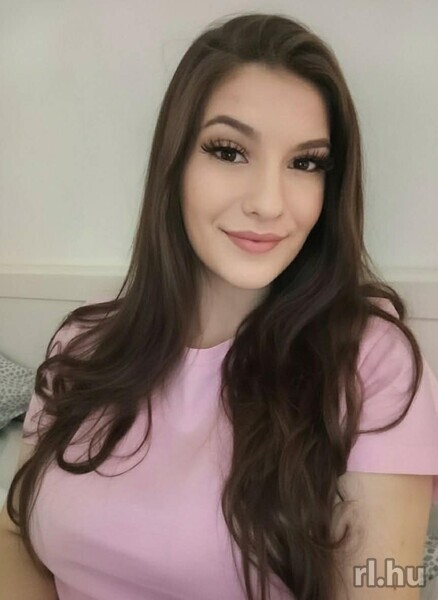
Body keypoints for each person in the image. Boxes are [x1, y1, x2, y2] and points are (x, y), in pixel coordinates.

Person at [2, 11, 438, 600]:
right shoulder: (84, 340)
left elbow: (383, 584)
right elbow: (14, 533)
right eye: (230, 151)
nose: (268, 203)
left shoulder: (374, 364)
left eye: (306, 162)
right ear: (176, 162)